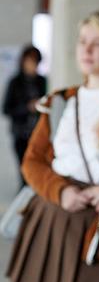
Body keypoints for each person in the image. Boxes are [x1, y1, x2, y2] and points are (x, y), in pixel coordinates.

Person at [6, 10, 99, 282]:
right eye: (82, 42)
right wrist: (60, 191)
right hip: (51, 211)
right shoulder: (60, 100)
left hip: (92, 220)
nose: (87, 50)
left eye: (98, 43)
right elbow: (32, 161)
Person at [3, 45, 47, 187]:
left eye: (36, 62)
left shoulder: (41, 81)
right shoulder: (15, 82)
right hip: (20, 133)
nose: (33, 65)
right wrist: (27, 107)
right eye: (30, 61)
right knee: (24, 171)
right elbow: (6, 109)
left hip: (37, 132)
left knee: (37, 169)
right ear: (23, 62)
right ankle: (23, 202)